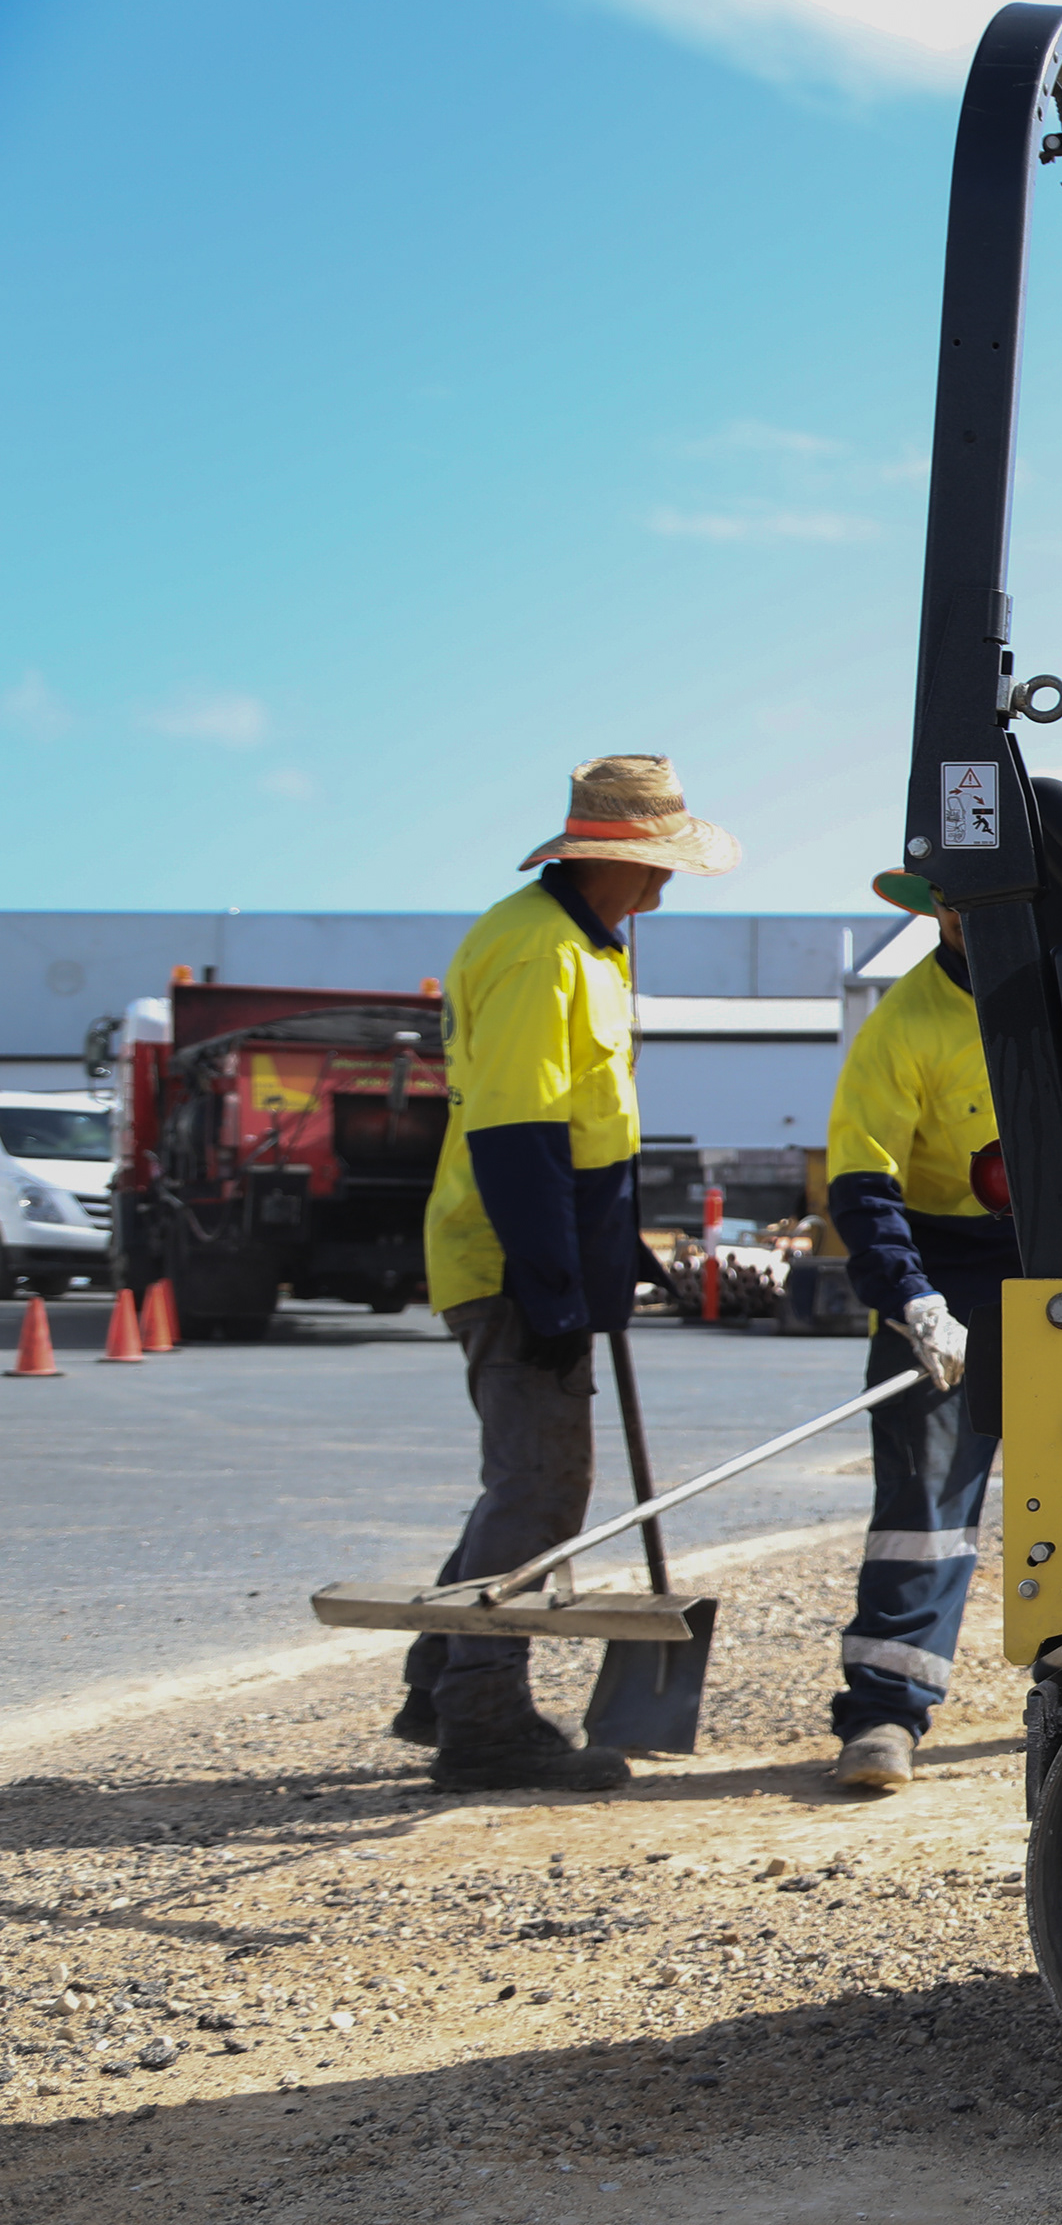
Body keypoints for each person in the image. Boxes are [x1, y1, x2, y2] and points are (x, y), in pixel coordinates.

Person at [396, 756, 738, 1792]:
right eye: (658, 862)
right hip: (507, 1258)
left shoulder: (588, 948)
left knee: (530, 1481)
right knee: (542, 1485)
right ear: (610, 859)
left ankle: (439, 1680)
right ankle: (483, 1720)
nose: (667, 882)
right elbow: (518, 1136)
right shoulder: (537, 950)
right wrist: (550, 1290)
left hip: (535, 1252)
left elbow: (585, 1126)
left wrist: (612, 1257)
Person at [819, 872, 1015, 1792]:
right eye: (954, 901)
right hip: (942, 1282)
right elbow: (863, 1186)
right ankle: (884, 1714)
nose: (969, 915)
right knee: (922, 1512)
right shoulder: (903, 1026)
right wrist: (916, 1303)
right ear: (935, 908)